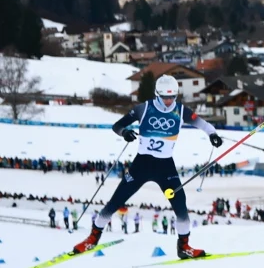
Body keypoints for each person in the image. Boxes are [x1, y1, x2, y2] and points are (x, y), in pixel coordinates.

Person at [73, 75, 223, 257]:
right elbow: (117, 125)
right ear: (156, 94)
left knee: (181, 208)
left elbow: (203, 124)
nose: (168, 101)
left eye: (172, 97)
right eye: (164, 97)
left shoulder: (180, 111)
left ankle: (184, 247)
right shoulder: (144, 108)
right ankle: (92, 239)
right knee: (115, 202)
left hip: (166, 167)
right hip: (141, 165)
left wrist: (212, 135)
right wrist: (125, 132)